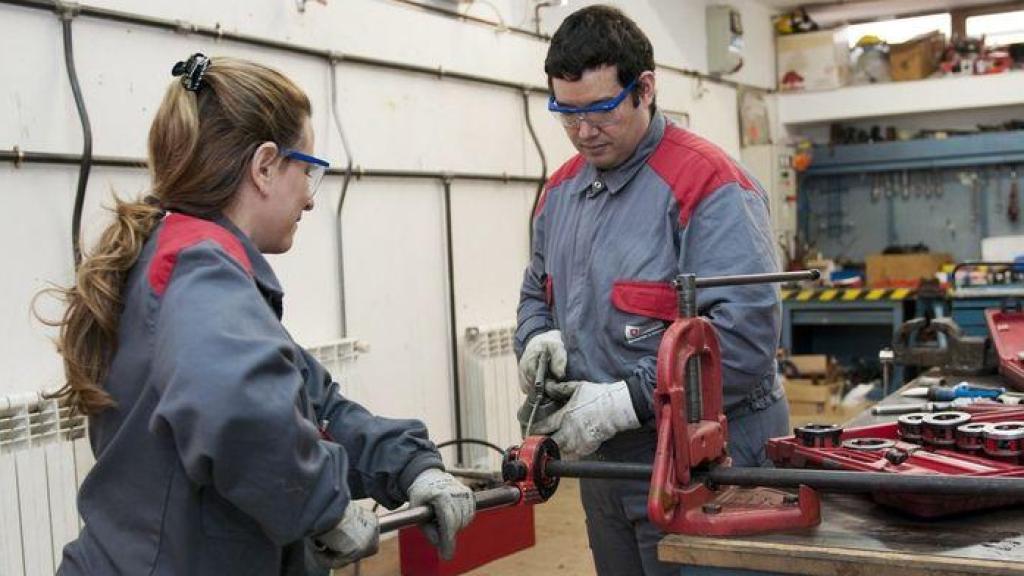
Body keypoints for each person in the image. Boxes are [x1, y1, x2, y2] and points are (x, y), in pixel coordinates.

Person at [47, 53, 474, 575]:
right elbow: (234, 403)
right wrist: (322, 504)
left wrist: (408, 463)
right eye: (308, 171)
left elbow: (312, 402)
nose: (311, 201)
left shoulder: (179, 256)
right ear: (266, 165)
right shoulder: (198, 269)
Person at [515, 6, 788, 575]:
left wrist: (627, 401)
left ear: (644, 89)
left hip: (712, 461)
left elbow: (741, 341)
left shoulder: (710, 185)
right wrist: (536, 334)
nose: (582, 131)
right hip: (606, 468)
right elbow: (538, 289)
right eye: (566, 112)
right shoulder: (561, 191)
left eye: (599, 111)